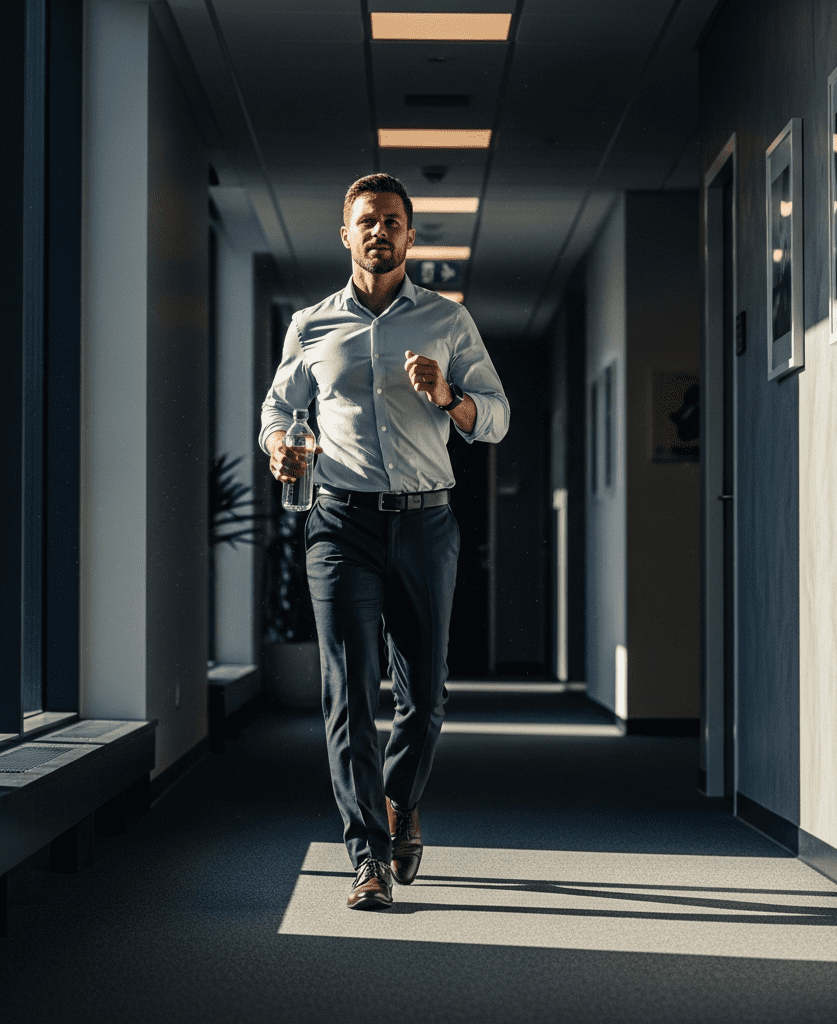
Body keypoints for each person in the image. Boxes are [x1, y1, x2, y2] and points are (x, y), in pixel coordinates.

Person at [259, 173, 509, 910]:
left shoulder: (448, 322)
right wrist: (281, 447)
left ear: (409, 233)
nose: (379, 232)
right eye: (366, 221)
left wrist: (449, 398)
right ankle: (366, 855)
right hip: (339, 523)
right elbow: (279, 409)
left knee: (424, 696)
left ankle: (402, 800)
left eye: (393, 221)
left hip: (427, 522)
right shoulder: (310, 326)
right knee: (347, 692)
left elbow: (495, 415)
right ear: (347, 234)